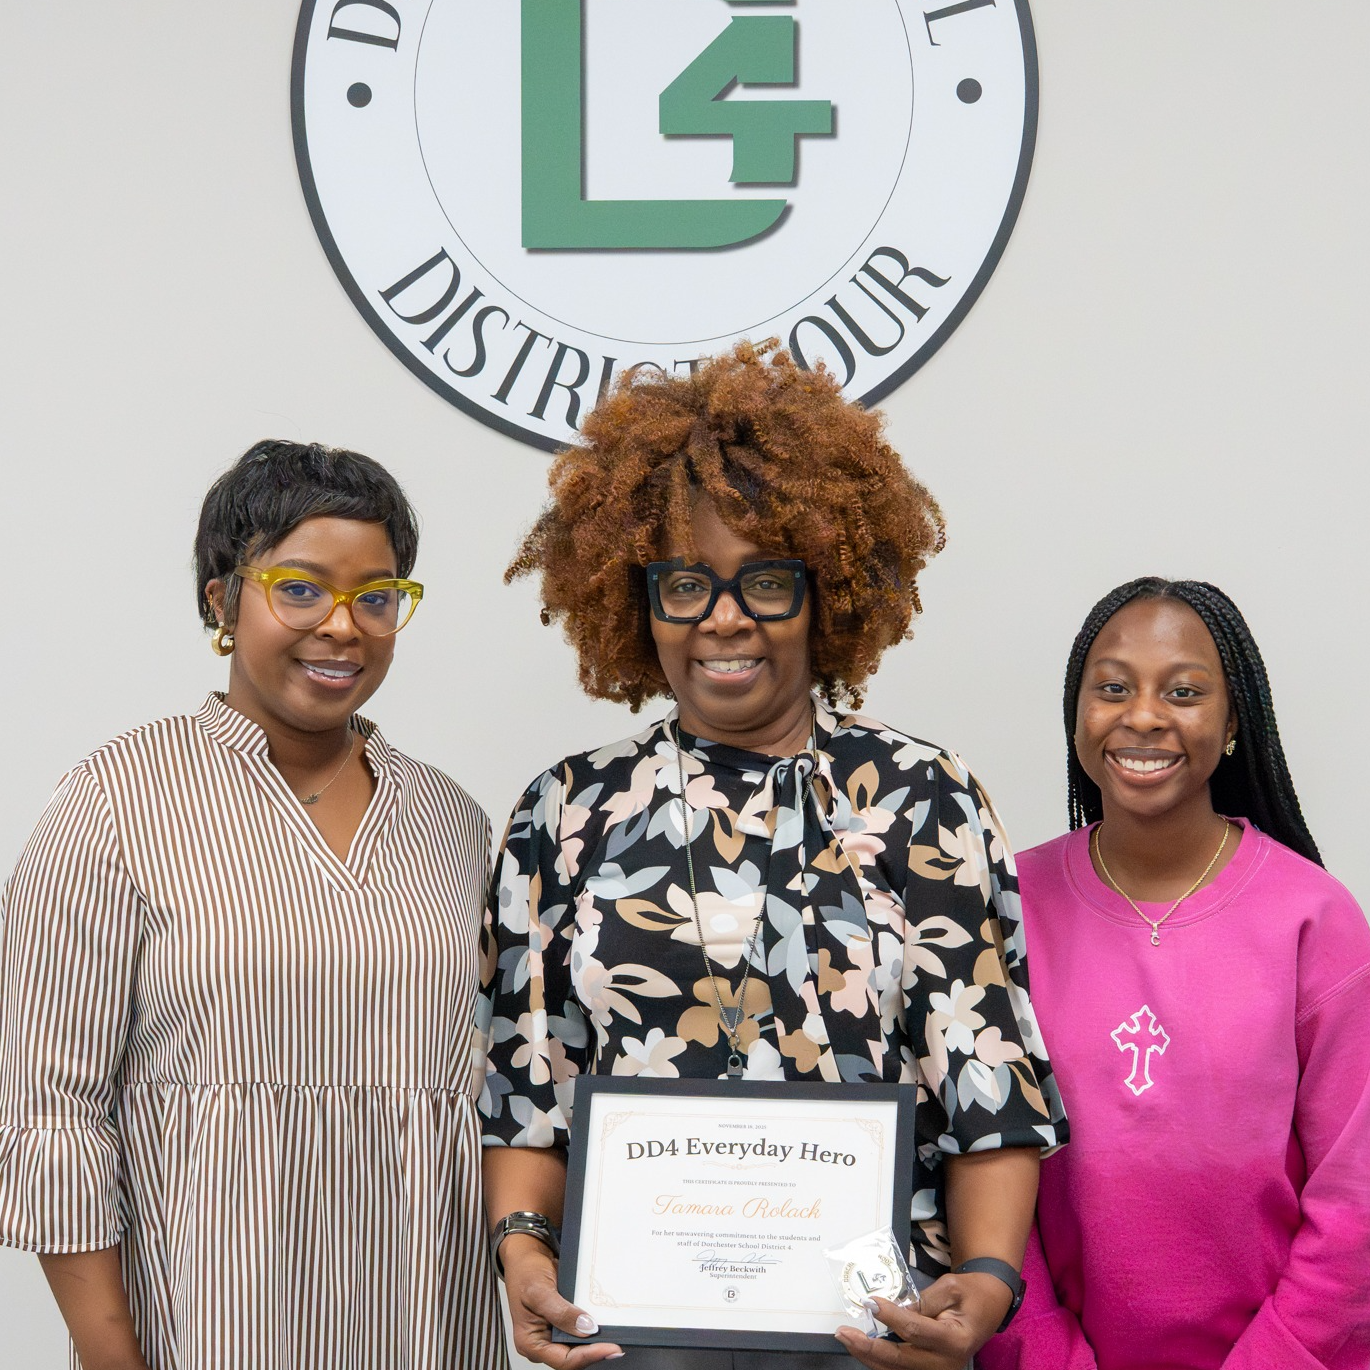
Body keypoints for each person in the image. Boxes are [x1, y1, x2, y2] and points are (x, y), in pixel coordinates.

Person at [477, 342, 1068, 1370]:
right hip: (634, 1343)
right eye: (683, 584)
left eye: (763, 579)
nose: (722, 616)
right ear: (631, 598)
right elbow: (530, 1085)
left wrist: (984, 1283)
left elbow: (984, 1078)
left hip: (876, 1343)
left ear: (827, 588)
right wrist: (523, 1255)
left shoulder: (921, 797)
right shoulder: (564, 812)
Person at [0, 441, 507, 1370]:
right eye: (301, 588)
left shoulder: (451, 822)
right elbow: (49, 1116)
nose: (344, 627)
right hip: (206, 1332)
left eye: (378, 595)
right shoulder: (116, 802)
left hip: (422, 1328)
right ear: (221, 601)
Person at [978, 578, 1370, 1370]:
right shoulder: (1003, 907)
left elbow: (1356, 1195)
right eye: (1112, 687)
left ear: (1233, 724)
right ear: (1077, 714)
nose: (1145, 715)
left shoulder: (1316, 920)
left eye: (1185, 691)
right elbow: (978, 1150)